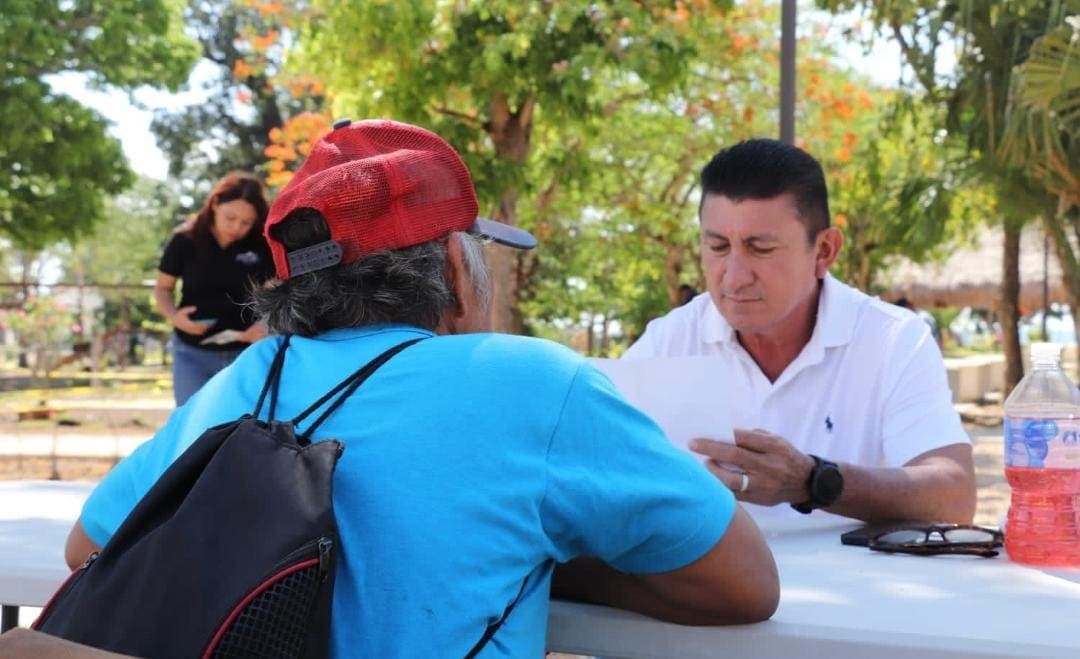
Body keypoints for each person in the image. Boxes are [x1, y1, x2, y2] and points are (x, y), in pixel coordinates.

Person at [59, 119, 778, 657]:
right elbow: (745, 584)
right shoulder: (530, 382)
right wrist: (548, 554)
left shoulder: (252, 374)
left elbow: (88, 543)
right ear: (457, 272)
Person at [624, 138, 976, 524]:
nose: (735, 277)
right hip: (703, 567)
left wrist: (814, 481)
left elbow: (954, 496)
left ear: (824, 251)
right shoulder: (668, 341)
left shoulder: (892, 340)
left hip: (846, 566)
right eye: (718, 247)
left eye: (761, 248)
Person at [154, 174, 275, 406]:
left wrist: (266, 324)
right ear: (215, 204)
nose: (236, 227)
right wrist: (174, 317)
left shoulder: (263, 245)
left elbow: (277, 292)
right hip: (192, 351)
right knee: (193, 420)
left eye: (246, 222)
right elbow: (163, 288)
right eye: (230, 218)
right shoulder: (185, 240)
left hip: (247, 353)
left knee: (244, 420)